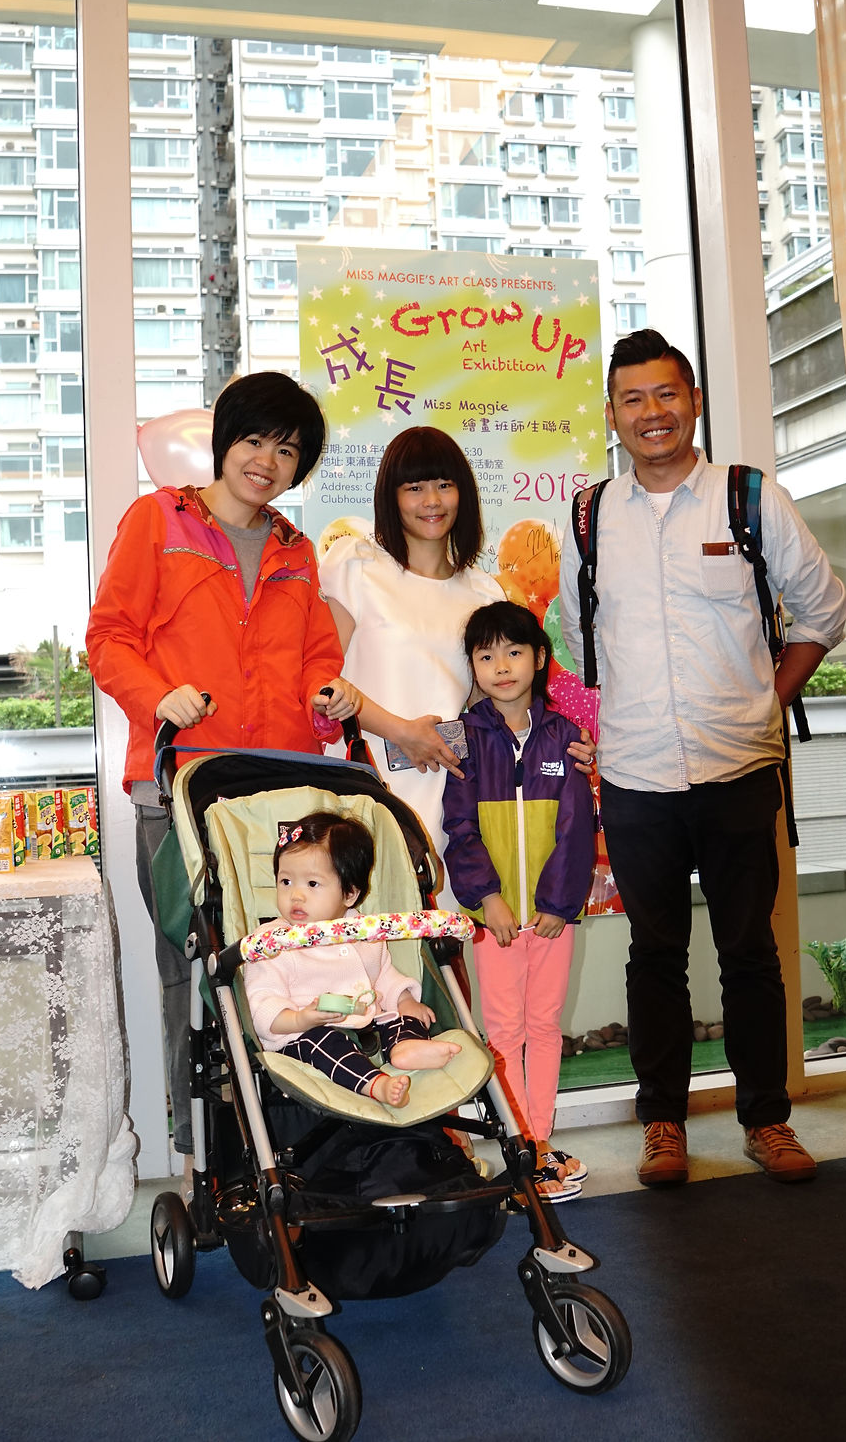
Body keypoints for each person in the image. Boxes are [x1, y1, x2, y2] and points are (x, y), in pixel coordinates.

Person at [558, 329, 846, 1187]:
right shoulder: (588, 517)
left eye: (666, 394)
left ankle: (767, 1119)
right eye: (633, 399)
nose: (652, 413)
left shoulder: (749, 497)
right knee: (653, 955)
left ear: (694, 401)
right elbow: (581, 638)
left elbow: (824, 611)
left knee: (749, 952)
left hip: (739, 768)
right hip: (635, 775)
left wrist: (770, 698)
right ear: (612, 414)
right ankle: (663, 1124)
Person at [86, 371, 361, 1163]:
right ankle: (203, 1152)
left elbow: (316, 660)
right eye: (254, 440)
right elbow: (109, 637)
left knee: (286, 961)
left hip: (278, 791)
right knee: (194, 968)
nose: (267, 461)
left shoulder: (296, 549)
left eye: (288, 451)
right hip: (179, 785)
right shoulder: (158, 520)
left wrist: (331, 699)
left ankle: (288, 1143)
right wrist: (157, 696)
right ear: (224, 441)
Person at [319, 426, 595, 906]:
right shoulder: (356, 566)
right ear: (391, 497)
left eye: (444, 485)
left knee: (441, 937)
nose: (432, 501)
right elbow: (323, 683)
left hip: (452, 793)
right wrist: (402, 731)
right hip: (364, 785)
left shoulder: (482, 591)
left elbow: (497, 704)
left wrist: (564, 739)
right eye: (415, 487)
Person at [442, 601, 596, 1201]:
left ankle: (541, 1141)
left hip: (553, 916)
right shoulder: (463, 737)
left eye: (513, 652)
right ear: (473, 667)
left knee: (546, 1025)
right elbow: (459, 828)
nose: (501, 666)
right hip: (496, 920)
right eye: (486, 656)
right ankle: (520, 1146)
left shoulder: (565, 735)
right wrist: (488, 899)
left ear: (539, 657)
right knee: (503, 1031)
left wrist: (559, 904)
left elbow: (576, 831)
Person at [244, 812, 460, 1109]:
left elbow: (384, 975)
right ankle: (376, 1084)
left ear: (349, 893)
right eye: (286, 881)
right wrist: (301, 1018)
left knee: (400, 1016)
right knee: (321, 1042)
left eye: (312, 883)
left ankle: (405, 1047)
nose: (296, 895)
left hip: (367, 1024)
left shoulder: (363, 930)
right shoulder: (272, 942)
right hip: (301, 1036)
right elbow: (261, 1004)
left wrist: (405, 1000)